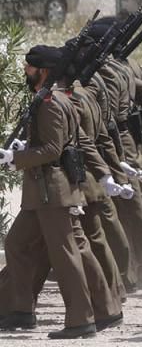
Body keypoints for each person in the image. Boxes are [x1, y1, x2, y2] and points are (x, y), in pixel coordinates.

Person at [0, 45, 122, 339]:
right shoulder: (57, 99)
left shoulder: (51, 102)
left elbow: (53, 149)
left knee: (66, 255)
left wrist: (15, 158)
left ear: (42, 71)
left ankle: (80, 319)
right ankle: (23, 309)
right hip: (46, 192)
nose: (25, 71)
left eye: (30, 67)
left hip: (50, 192)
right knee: (19, 244)